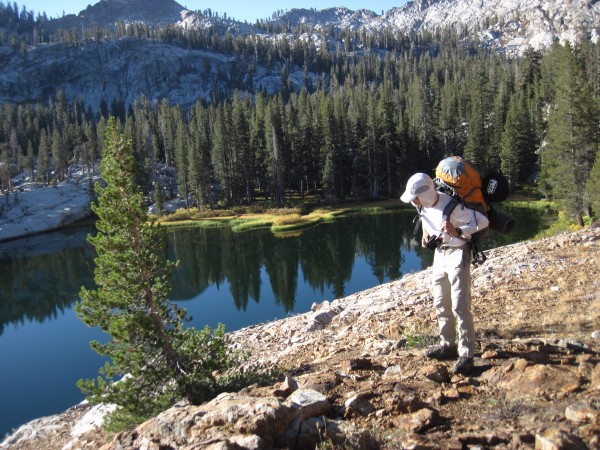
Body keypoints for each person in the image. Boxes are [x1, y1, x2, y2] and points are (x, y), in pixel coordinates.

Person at [400, 172, 489, 374]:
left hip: (458, 253)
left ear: (425, 194)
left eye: (415, 198)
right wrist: (425, 235)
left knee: (460, 304)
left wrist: (457, 232)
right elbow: (425, 218)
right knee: (441, 301)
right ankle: (447, 344)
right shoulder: (421, 204)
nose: (414, 202)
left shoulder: (453, 206)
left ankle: (467, 353)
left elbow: (482, 221)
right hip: (440, 254)